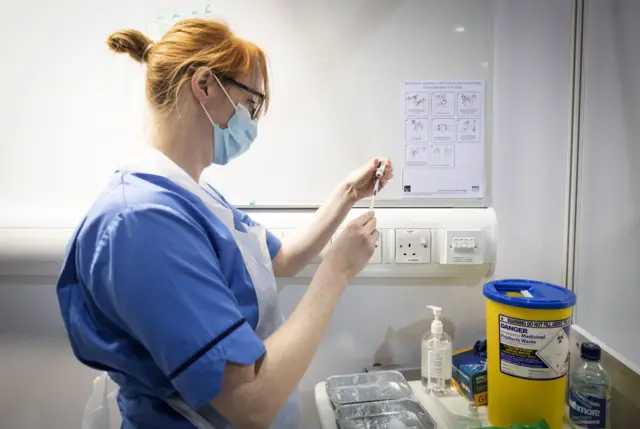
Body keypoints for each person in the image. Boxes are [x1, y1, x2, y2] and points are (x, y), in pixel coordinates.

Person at [55, 18, 393, 429]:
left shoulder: (192, 194)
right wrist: (336, 272)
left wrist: (347, 194)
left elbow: (280, 260)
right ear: (205, 85)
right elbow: (248, 403)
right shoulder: (142, 224)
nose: (252, 122)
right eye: (251, 104)